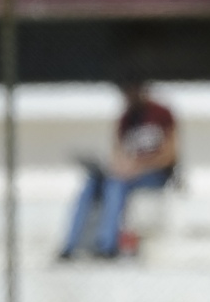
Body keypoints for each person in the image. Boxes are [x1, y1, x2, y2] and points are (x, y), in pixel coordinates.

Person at [58, 78, 177, 260]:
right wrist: (121, 166)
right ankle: (70, 246)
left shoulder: (161, 114)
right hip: (127, 173)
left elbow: (170, 155)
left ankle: (107, 245)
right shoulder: (126, 118)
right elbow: (118, 152)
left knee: (115, 185)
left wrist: (140, 167)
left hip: (155, 173)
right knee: (91, 184)